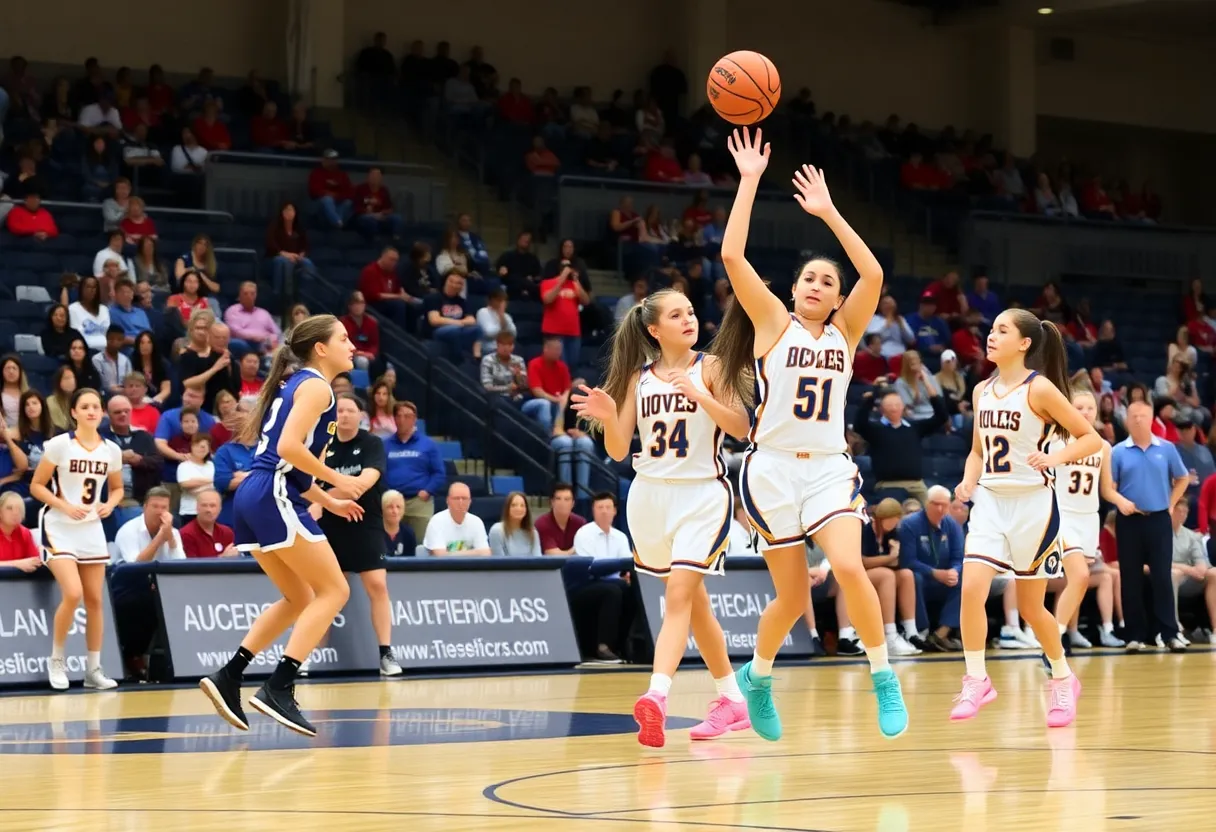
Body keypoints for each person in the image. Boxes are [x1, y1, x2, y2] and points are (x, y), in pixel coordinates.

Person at [711, 127, 905, 740]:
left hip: (827, 466)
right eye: (809, 279)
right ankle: (759, 678)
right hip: (769, 469)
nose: (818, 285)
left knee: (849, 566)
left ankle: (882, 675)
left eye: (828, 281)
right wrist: (747, 182)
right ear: (793, 290)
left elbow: (872, 273)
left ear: (838, 296)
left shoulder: (846, 333)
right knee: (791, 600)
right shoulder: (771, 324)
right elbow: (732, 259)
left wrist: (829, 213)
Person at [573, 288, 752, 748]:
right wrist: (611, 416)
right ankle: (732, 699)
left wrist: (699, 395)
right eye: (677, 314)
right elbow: (616, 450)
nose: (689, 319)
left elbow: (739, 426)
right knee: (694, 604)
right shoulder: (638, 378)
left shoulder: (709, 367)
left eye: (691, 311)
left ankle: (657, 695)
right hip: (649, 496)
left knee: (678, 596)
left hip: (701, 496)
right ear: (654, 329)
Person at [198, 315, 366, 738]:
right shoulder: (316, 386)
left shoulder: (301, 385)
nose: (352, 345)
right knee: (336, 590)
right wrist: (341, 479)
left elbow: (292, 465)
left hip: (257, 493)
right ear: (321, 349)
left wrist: (329, 500)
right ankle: (280, 685)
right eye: (344, 339)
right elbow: (289, 450)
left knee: (298, 596)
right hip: (271, 491)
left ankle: (230, 675)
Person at [950, 309, 1102, 728]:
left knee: (1034, 609)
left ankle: (1062, 676)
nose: (991, 335)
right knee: (972, 589)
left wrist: (1054, 456)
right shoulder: (981, 390)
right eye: (991, 328)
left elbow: (1091, 438)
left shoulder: (1041, 390)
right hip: (991, 504)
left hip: (1034, 506)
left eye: (1002, 330)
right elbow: (978, 452)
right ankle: (977, 678)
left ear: (1024, 344)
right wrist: (967, 482)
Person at [30, 388, 124, 691]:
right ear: (74, 412)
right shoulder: (59, 445)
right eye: (85, 406)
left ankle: (93, 669)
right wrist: (64, 505)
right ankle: (57, 661)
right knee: (73, 593)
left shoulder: (111, 449)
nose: (92, 411)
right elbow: (36, 486)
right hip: (59, 524)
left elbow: (118, 488)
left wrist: (110, 503)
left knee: (96, 600)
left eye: (96, 406)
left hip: (91, 528)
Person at [310, 393, 404, 676]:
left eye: (350, 410)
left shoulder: (372, 443)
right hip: (330, 525)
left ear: (360, 415)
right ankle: (304, 657)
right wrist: (322, 501)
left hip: (365, 523)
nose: (345, 414)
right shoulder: (323, 447)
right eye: (339, 410)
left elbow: (362, 484)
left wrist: (322, 500)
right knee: (322, 592)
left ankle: (386, 654)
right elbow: (311, 484)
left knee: (377, 584)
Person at [1106, 399, 1190, 653]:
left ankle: (1169, 633)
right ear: (1127, 420)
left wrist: (1170, 504)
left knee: (1162, 577)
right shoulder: (1118, 451)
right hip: (1129, 521)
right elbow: (1110, 487)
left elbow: (1183, 477)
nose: (1138, 419)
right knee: (1130, 578)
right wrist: (1121, 502)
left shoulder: (1166, 448)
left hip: (1158, 519)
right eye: (1133, 416)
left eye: (1143, 415)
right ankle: (1135, 636)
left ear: (1152, 417)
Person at [1050, 389, 1125, 650]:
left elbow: (1106, 490)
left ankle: (1065, 632)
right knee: (1077, 576)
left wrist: (1123, 501)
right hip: (1064, 516)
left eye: (1090, 408)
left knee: (1078, 581)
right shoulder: (1057, 440)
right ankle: (1053, 637)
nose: (1085, 412)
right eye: (1079, 407)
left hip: (1089, 519)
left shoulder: (1104, 446)